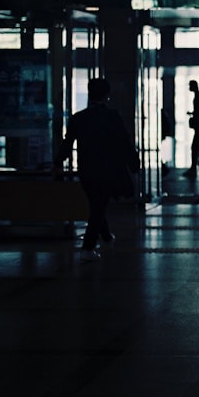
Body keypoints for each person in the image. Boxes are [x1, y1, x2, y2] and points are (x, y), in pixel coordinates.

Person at [54, 77, 139, 262]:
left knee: (96, 204)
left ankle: (107, 237)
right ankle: (88, 247)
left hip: (86, 170)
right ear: (107, 96)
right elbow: (124, 142)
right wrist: (134, 163)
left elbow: (68, 143)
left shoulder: (79, 118)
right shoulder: (112, 117)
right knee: (98, 206)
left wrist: (58, 162)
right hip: (108, 169)